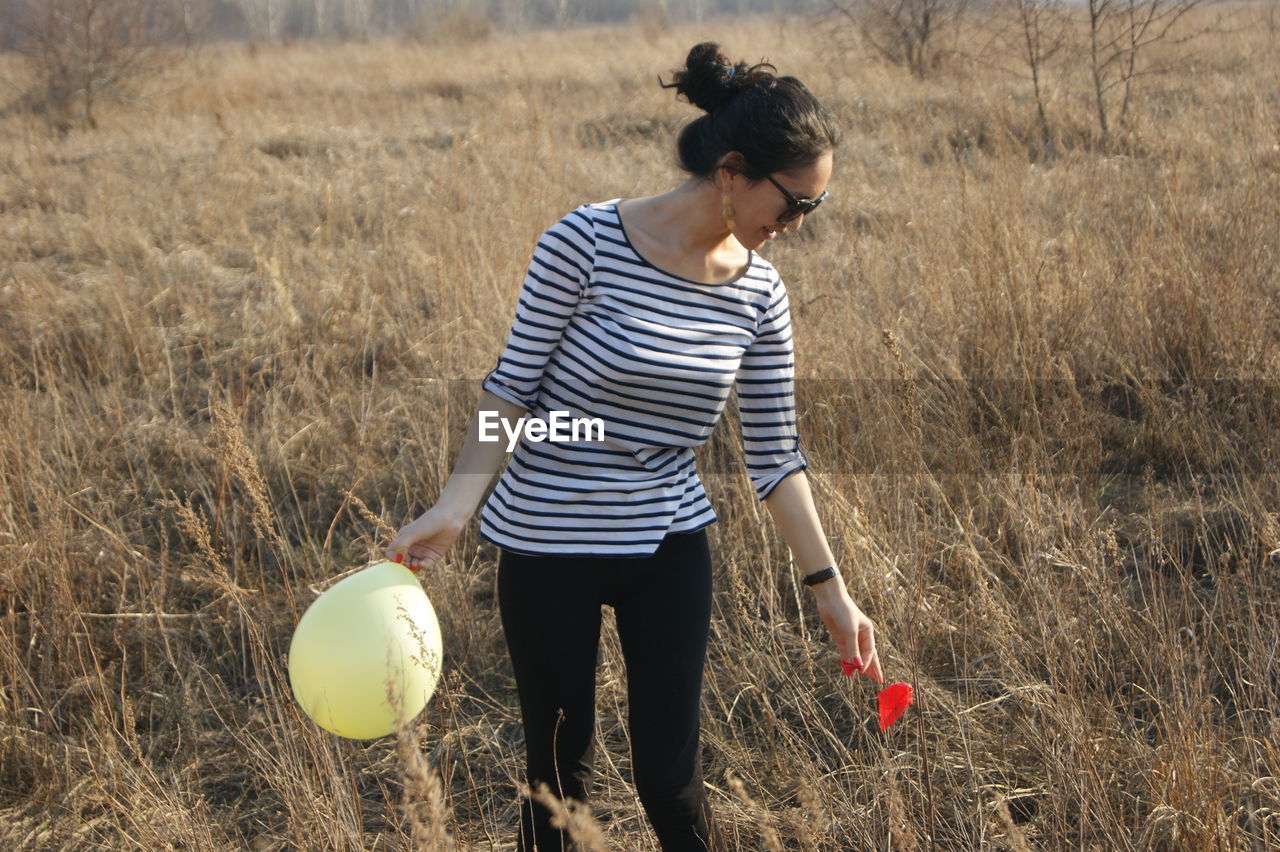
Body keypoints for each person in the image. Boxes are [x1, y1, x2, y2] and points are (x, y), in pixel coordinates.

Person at [387, 42, 885, 852]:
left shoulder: (759, 293)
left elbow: (775, 453)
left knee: (670, 778)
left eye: (813, 211)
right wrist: (455, 505)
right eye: (795, 204)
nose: (797, 227)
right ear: (732, 170)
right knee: (557, 776)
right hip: (548, 543)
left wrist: (830, 588)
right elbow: (512, 389)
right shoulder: (585, 243)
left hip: (668, 543)